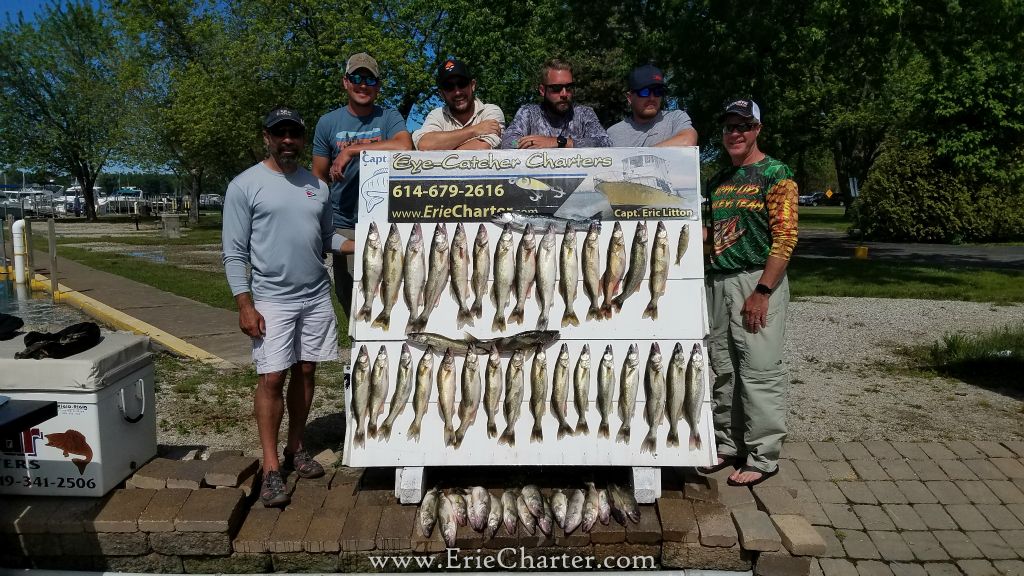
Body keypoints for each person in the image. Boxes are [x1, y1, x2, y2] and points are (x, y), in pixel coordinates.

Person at [222, 106, 345, 507]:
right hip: (271, 300)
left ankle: (296, 447)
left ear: (303, 139)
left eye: (294, 133)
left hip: (314, 296)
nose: (287, 140)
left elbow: (329, 239)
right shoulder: (245, 185)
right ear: (267, 137)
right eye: (280, 133)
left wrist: (368, 240)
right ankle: (272, 466)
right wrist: (244, 303)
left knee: (307, 371)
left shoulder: (318, 186)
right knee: (272, 379)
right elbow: (234, 252)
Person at [701, 98, 798, 487]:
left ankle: (763, 455)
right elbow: (713, 236)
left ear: (757, 129)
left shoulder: (776, 173)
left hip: (756, 281)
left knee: (759, 371)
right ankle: (728, 444)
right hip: (718, 281)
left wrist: (762, 290)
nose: (735, 133)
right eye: (728, 127)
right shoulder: (718, 182)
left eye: (743, 126)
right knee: (724, 370)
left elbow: (786, 238)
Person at [312, 52, 412, 325]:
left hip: (385, 224)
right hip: (343, 223)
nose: (363, 84)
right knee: (351, 299)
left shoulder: (389, 117)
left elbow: (405, 146)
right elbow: (318, 179)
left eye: (370, 79)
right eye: (356, 77)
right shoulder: (327, 123)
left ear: (378, 86)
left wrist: (352, 150)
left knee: (390, 287)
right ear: (345, 82)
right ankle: (359, 356)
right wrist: (316, 225)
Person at [500, 58, 611, 149]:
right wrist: (530, 143)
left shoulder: (584, 113)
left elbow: (605, 142)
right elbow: (508, 142)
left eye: (569, 87)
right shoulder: (529, 113)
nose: (564, 94)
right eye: (556, 88)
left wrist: (559, 142)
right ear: (542, 90)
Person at [413, 58, 505, 150]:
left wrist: (441, 147)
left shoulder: (490, 111)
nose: (457, 92)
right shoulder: (436, 115)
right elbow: (425, 144)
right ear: (442, 94)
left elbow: (482, 147)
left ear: (472, 85)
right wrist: (474, 130)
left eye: (462, 84)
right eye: (449, 87)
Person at [607, 64, 698, 147]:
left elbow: (688, 141)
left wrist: (640, 158)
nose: (652, 98)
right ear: (630, 98)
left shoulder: (675, 119)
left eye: (658, 92)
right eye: (644, 92)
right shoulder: (613, 134)